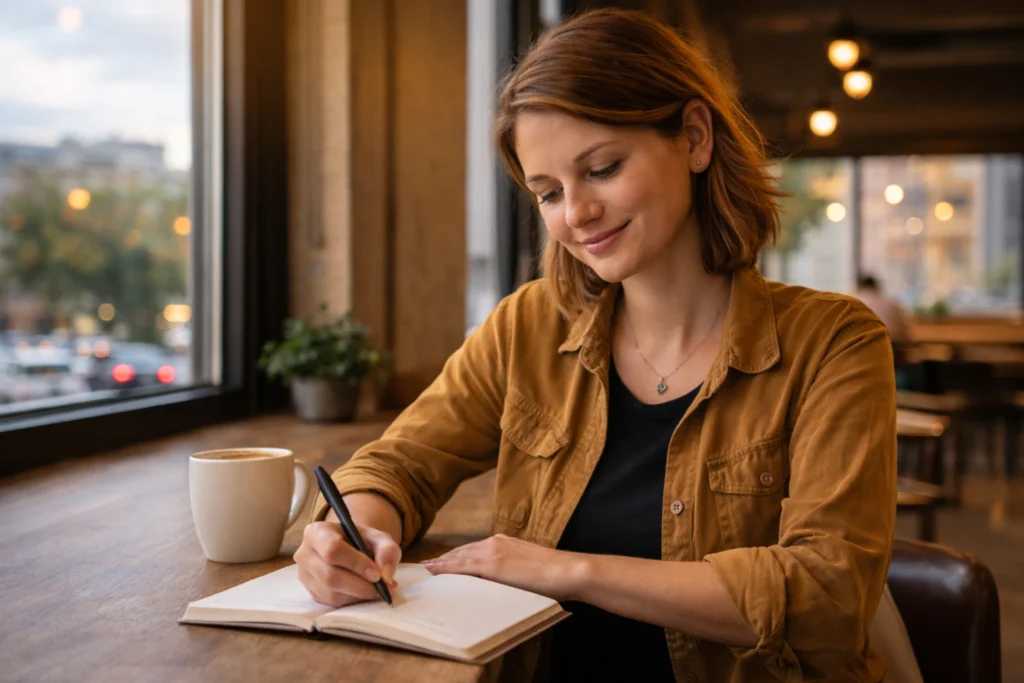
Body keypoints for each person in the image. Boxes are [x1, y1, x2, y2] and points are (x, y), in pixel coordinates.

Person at [294, 9, 897, 682]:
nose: (575, 214)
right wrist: (352, 532)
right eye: (548, 192)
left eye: (603, 168)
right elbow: (400, 461)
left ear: (695, 138)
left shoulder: (836, 343)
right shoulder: (527, 327)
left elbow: (827, 594)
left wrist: (568, 572)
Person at [855, 274, 911, 344]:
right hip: (893, 346)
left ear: (860, 287)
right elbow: (904, 330)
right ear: (876, 286)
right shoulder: (890, 302)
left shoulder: (854, 301)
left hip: (864, 346)